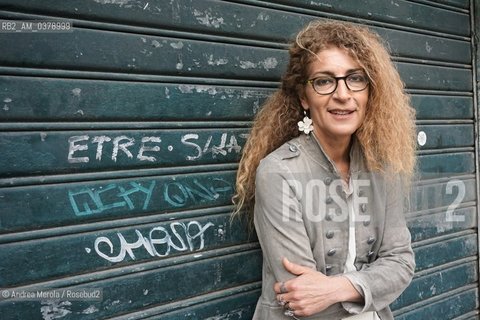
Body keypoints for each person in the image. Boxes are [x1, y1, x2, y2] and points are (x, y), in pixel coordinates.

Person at [232, 20, 416, 320]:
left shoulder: (383, 168)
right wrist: (368, 286)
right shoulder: (278, 172)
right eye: (324, 81)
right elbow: (299, 296)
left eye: (355, 79)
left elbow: (401, 263)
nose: (342, 94)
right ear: (304, 97)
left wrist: (335, 289)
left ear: (370, 93)